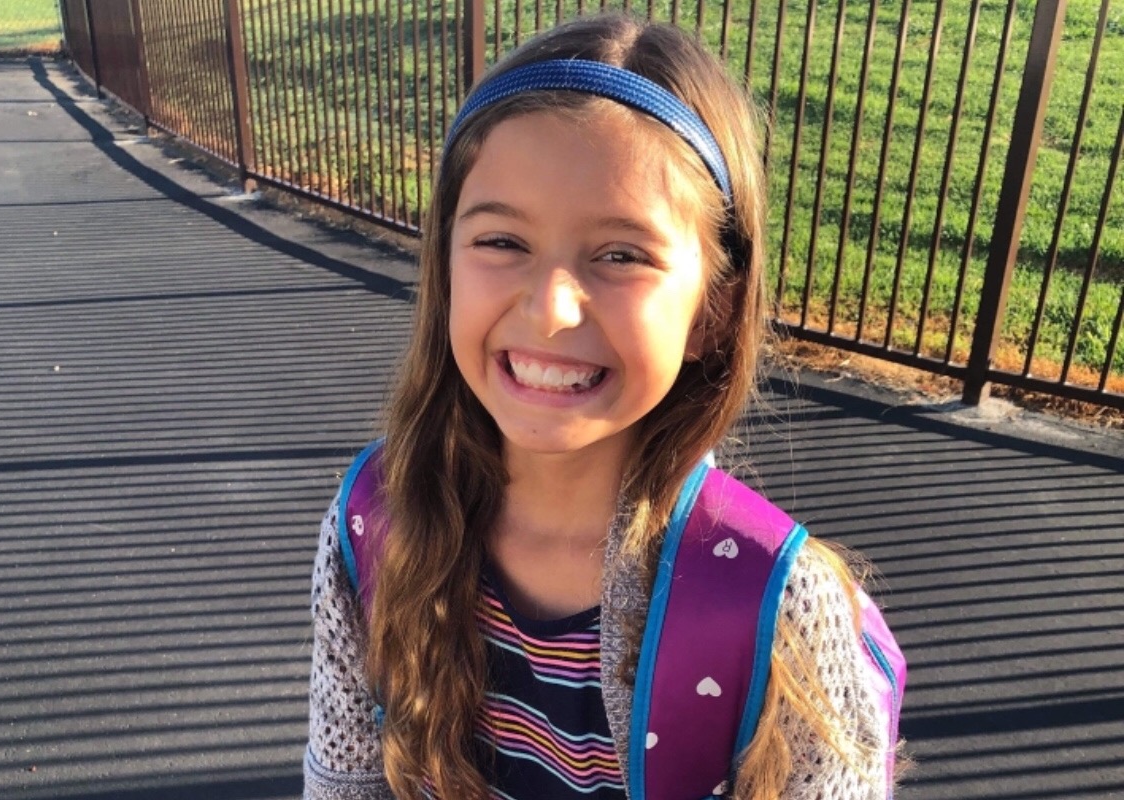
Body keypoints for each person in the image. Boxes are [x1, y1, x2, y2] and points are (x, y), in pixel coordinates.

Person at [305, 12, 900, 800]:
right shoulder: (374, 524)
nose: (551, 309)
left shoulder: (782, 613)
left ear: (713, 311)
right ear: (446, 265)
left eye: (621, 255)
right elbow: (344, 780)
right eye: (501, 242)